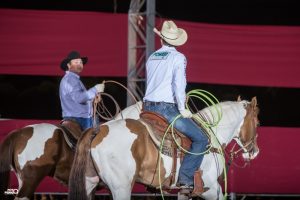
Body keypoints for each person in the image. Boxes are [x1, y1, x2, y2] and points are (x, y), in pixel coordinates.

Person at [143, 21, 208, 189]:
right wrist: (182, 108)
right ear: (176, 40)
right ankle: (185, 178)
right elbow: (179, 85)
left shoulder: (152, 56)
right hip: (166, 109)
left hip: (147, 107)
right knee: (201, 138)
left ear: (161, 40)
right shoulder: (178, 57)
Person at [59, 50, 104, 131]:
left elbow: (80, 98)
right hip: (79, 119)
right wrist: (95, 89)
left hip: (79, 117)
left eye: (80, 62)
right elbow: (79, 98)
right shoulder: (71, 79)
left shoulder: (73, 79)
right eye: (76, 62)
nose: (79, 64)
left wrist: (93, 98)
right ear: (69, 65)